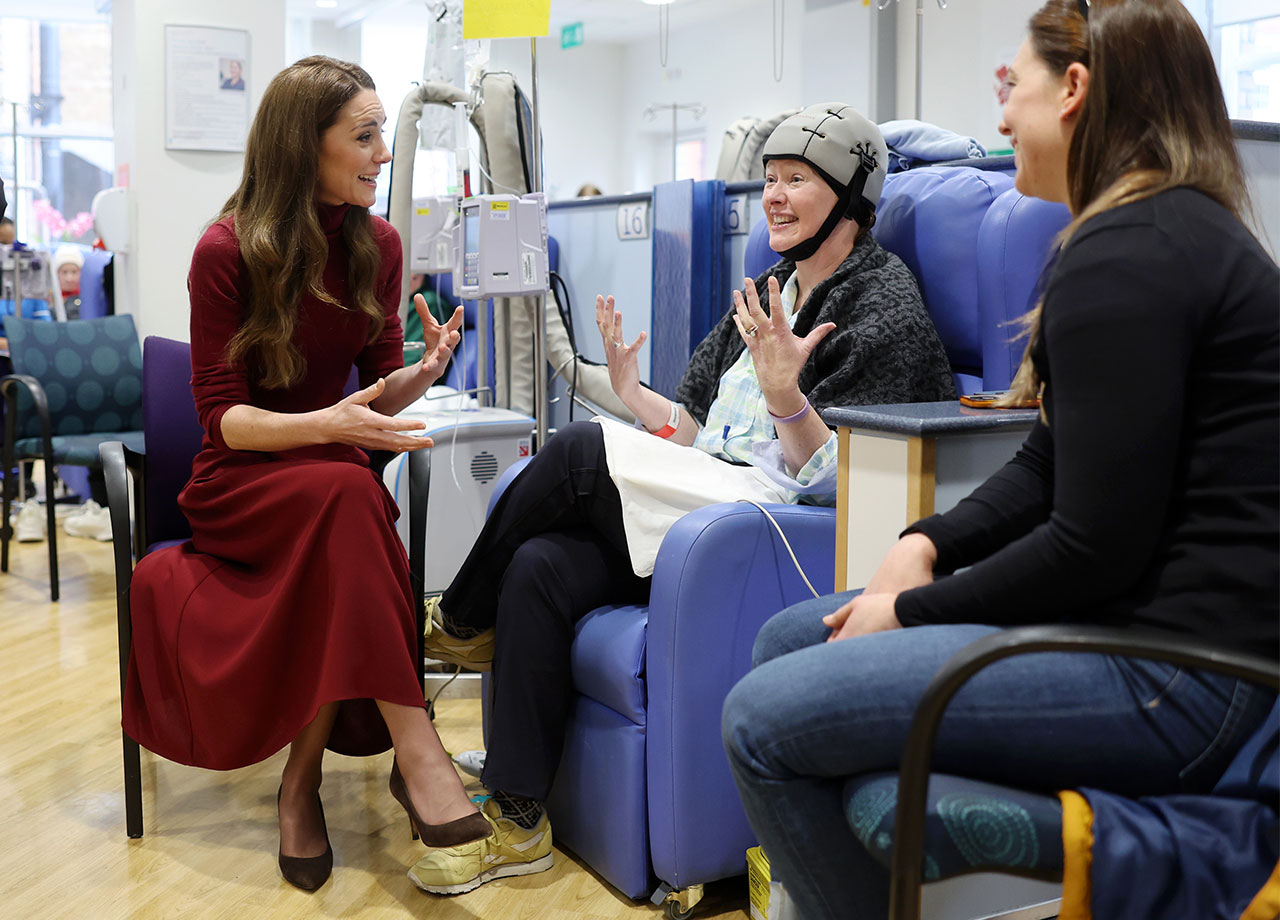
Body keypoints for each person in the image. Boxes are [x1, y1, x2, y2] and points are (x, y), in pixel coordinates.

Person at [721, 2, 1279, 918]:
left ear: (1075, 90)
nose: (999, 121)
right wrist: (926, 543)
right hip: (1166, 650)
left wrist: (911, 608)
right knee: (787, 643)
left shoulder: (1132, 252)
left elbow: (1093, 548)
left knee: (758, 722)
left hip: (1186, 683)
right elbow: (1052, 463)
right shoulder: (1154, 233)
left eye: (1008, 87)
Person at [408, 104, 957, 895]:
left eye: (796, 180)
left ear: (851, 198)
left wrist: (786, 399)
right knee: (538, 565)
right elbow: (692, 430)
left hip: (766, 525)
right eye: (768, 179)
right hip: (703, 497)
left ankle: (455, 622)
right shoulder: (767, 289)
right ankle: (519, 816)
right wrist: (637, 397)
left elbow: (851, 484)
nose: (772, 195)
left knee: (572, 453)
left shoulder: (884, 304)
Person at [120, 55, 489, 893]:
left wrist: (420, 374)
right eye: (363, 137)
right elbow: (223, 418)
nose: (382, 154)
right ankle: (415, 746)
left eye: (380, 136)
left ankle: (302, 784)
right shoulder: (226, 251)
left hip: (330, 483)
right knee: (349, 492)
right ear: (303, 145)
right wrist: (332, 426)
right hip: (240, 486)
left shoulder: (378, 245)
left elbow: (368, 391)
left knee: (347, 497)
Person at [53, 245, 83, 319]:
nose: (69, 279)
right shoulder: (48, 300)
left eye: (74, 272)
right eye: (64, 272)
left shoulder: (87, 299)